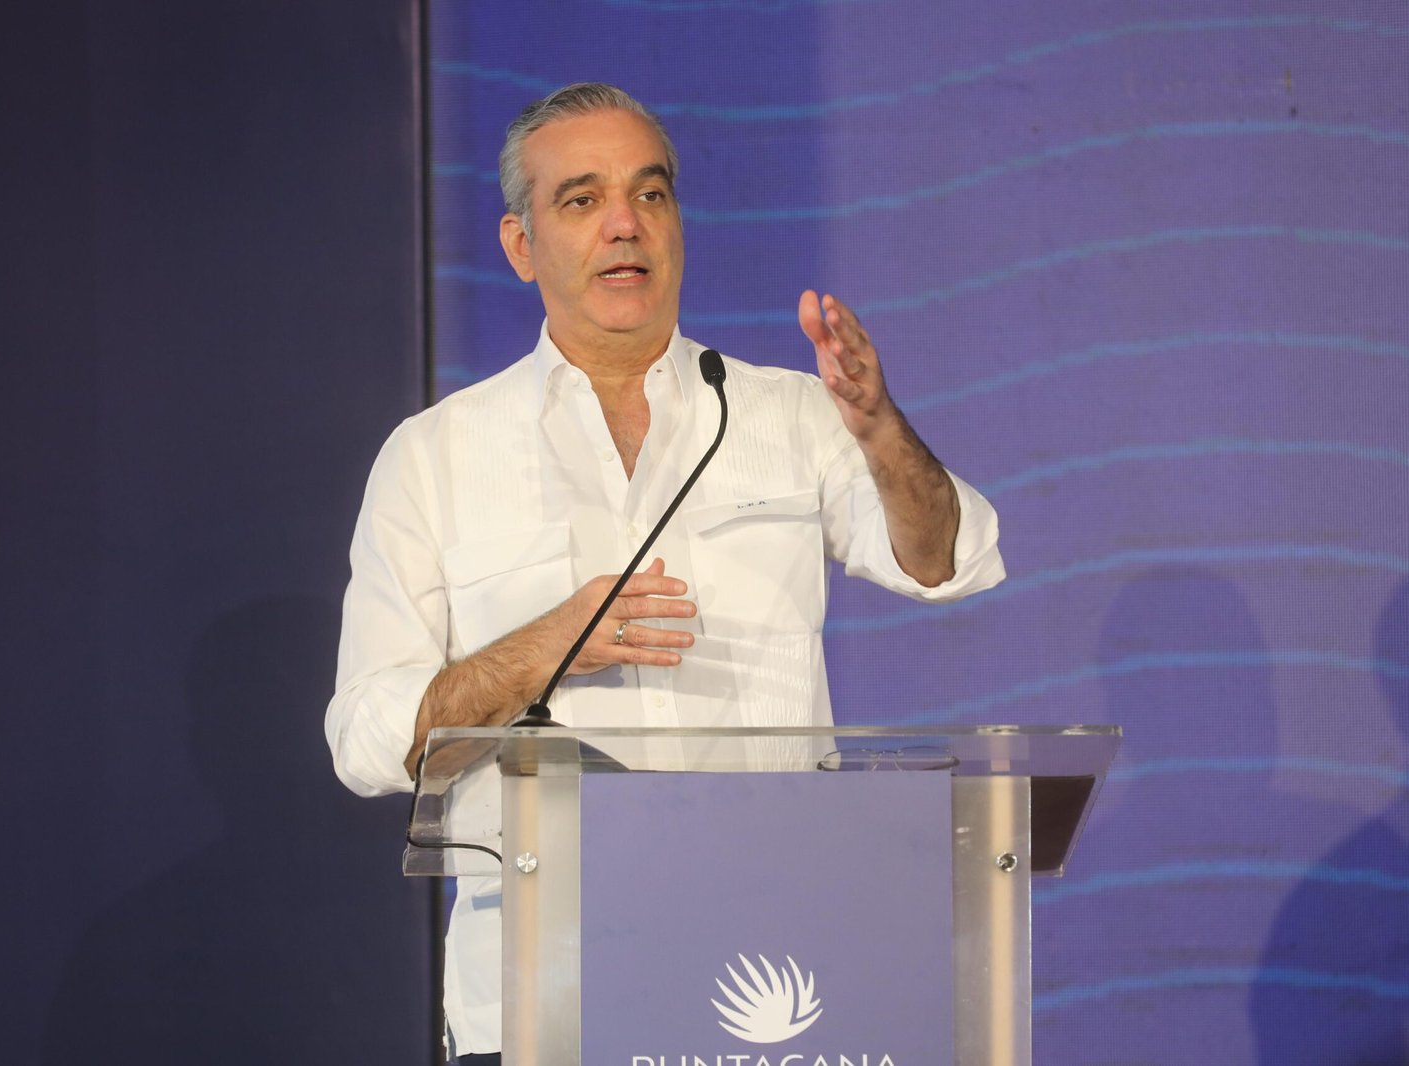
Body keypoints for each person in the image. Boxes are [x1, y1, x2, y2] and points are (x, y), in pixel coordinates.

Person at [325, 82, 1006, 1064]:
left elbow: (947, 559)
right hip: (539, 999)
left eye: (650, 194)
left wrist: (879, 429)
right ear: (520, 245)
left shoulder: (788, 413)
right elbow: (366, 742)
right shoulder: (434, 456)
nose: (624, 224)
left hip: (772, 984)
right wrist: (544, 647)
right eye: (581, 199)